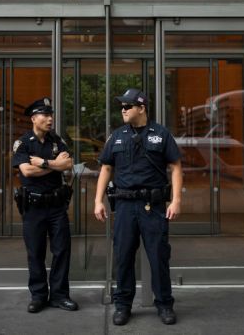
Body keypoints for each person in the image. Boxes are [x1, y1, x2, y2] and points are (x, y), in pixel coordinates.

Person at [94, 88, 183, 326]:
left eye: (127, 106)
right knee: (123, 257)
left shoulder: (161, 134)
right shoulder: (117, 136)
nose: (123, 110)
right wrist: (97, 200)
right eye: (122, 107)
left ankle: (164, 304)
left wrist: (176, 200)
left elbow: (175, 167)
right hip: (124, 206)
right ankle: (123, 305)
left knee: (158, 257)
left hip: (153, 206)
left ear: (141, 108)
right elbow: (106, 168)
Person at [12, 97, 78, 313]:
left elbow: (68, 163)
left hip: (57, 206)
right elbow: (27, 171)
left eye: (51, 115)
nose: (50, 119)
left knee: (62, 251)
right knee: (35, 252)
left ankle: (60, 295)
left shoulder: (56, 140)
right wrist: (55, 166)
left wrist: (44, 163)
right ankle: (39, 296)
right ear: (34, 118)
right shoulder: (23, 143)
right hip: (33, 207)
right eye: (45, 115)